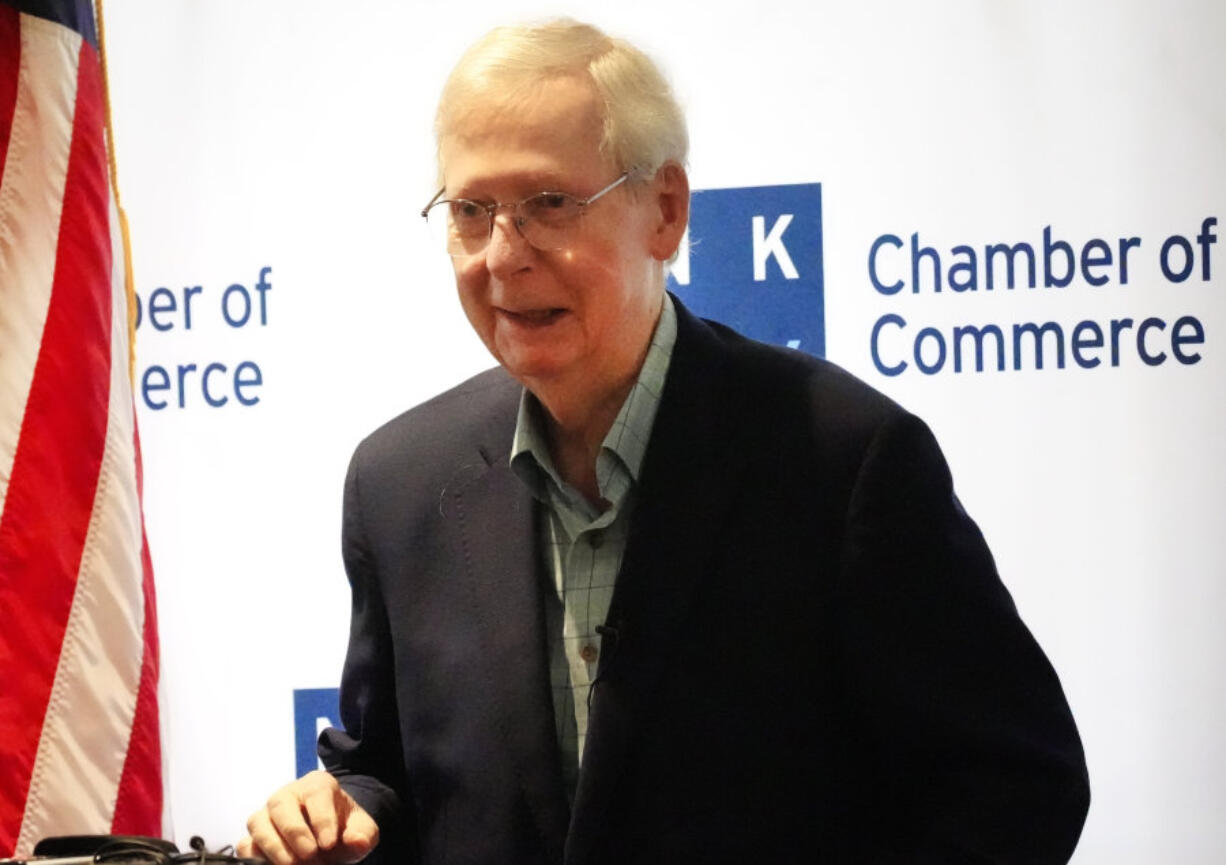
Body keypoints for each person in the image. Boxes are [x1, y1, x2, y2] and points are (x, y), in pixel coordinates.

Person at [238, 19, 1089, 865]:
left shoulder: (844, 459)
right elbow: (391, 775)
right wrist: (339, 814)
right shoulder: (399, 482)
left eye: (548, 204)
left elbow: (1018, 783)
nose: (503, 254)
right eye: (470, 210)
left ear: (667, 212)